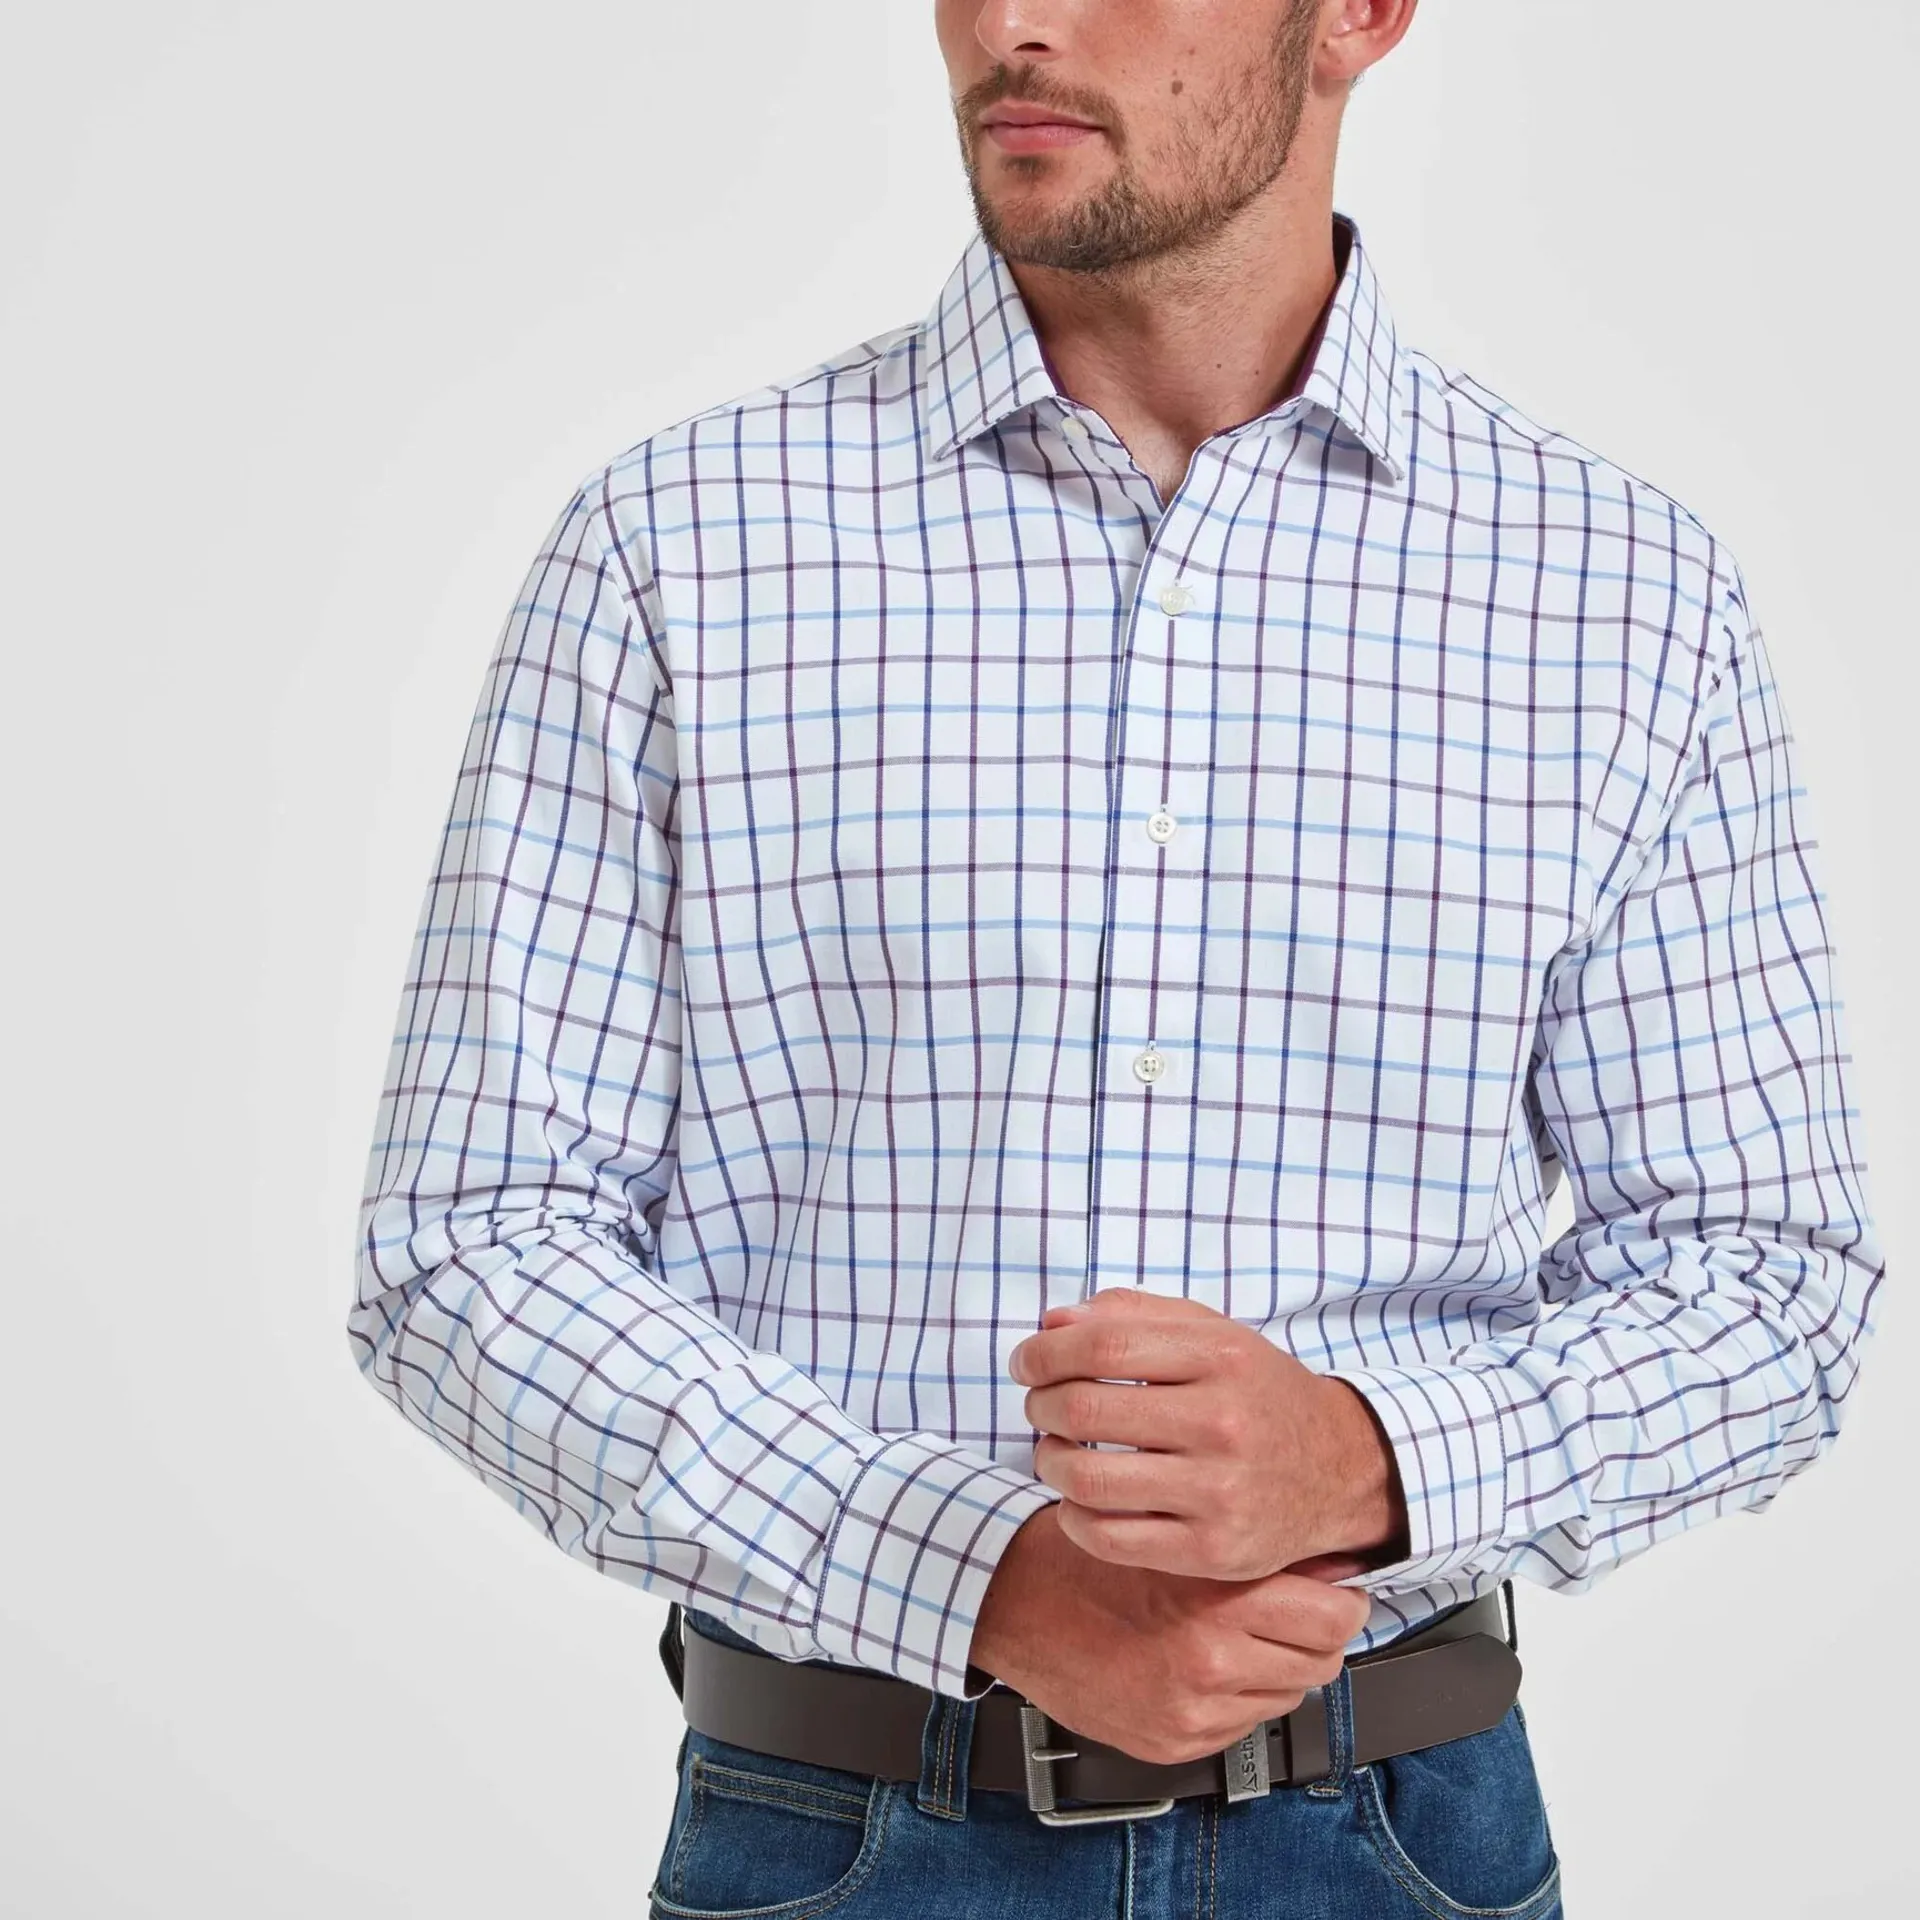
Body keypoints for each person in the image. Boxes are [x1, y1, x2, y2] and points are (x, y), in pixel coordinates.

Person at [347, 3, 1885, 1914]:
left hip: (1399, 1839)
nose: (1016, 24)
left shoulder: (1619, 594)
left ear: (1360, 15)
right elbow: (468, 1248)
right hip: (846, 1835)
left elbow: (1767, 1278)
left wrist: (1371, 1458)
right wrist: (968, 1572)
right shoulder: (683, 550)